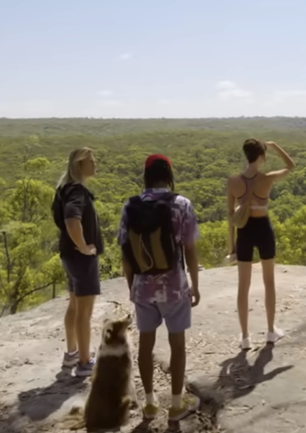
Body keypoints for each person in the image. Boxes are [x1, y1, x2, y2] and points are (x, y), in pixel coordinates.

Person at [118, 154, 201, 422]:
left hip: (143, 286)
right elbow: (189, 248)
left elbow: (126, 253)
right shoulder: (181, 204)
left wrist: (133, 287)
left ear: (146, 176)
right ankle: (176, 405)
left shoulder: (130, 206)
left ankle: (150, 404)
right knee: (177, 344)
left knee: (146, 344)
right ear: (168, 175)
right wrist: (195, 285)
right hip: (174, 286)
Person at [226, 139, 295, 349]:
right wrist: (275, 146)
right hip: (263, 229)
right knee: (269, 282)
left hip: (244, 232)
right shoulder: (267, 179)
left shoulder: (233, 182)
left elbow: (230, 217)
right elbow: (291, 166)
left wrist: (232, 247)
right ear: (262, 156)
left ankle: (245, 337)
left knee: (243, 286)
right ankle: (271, 331)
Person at [52, 147, 103, 378]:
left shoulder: (63, 189)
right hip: (80, 259)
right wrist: (84, 246)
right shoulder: (77, 192)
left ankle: (72, 353)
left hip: (68, 255)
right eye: (91, 161)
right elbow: (72, 220)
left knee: (74, 305)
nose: (95, 164)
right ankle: (84, 363)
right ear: (79, 165)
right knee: (84, 312)